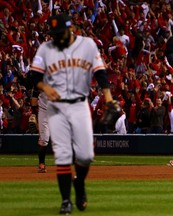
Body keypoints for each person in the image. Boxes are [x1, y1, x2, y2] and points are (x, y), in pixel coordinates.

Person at [30, 13, 121, 214]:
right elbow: (34, 75)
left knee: (86, 155)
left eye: (59, 33)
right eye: (53, 33)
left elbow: (101, 73)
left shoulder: (87, 45)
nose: (56, 37)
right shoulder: (46, 48)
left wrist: (107, 98)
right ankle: (65, 201)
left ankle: (79, 186)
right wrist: (44, 87)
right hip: (56, 108)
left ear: (69, 29)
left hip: (79, 105)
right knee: (62, 155)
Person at [31, 89, 49, 173]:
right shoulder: (39, 80)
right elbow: (34, 99)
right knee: (44, 140)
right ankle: (41, 164)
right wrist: (34, 113)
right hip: (44, 112)